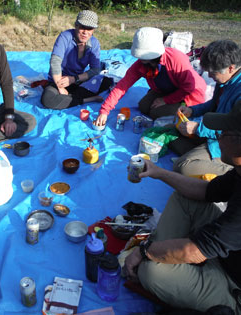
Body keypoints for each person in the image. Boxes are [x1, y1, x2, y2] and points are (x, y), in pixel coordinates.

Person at [124, 99, 241, 313]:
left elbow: (196, 250)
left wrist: (143, 251)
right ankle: (162, 256)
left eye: (225, 133)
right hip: (225, 254)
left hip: (233, 284)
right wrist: (159, 173)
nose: (219, 136)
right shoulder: (239, 173)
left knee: (150, 273)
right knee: (184, 198)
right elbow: (206, 191)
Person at [95, 27, 206, 126]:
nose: (140, 59)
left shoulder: (176, 59)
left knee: (156, 113)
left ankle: (181, 108)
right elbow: (122, 86)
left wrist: (166, 100)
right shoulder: (141, 64)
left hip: (187, 94)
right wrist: (104, 111)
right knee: (143, 106)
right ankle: (164, 102)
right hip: (164, 90)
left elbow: (189, 88)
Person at [171, 40, 241, 177]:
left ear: (231, 68)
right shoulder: (225, 81)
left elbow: (234, 130)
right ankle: (201, 155)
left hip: (230, 144)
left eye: (212, 73)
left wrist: (199, 129)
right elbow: (214, 104)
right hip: (216, 134)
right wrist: (193, 110)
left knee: (182, 167)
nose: (208, 76)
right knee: (171, 133)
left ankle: (233, 172)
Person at [40, 10, 113, 110]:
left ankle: (67, 98)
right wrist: (60, 86)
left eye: (89, 29)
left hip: (77, 80)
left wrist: (74, 79)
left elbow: (95, 69)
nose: (85, 32)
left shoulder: (94, 43)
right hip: (59, 81)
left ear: (93, 30)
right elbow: (55, 61)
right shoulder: (65, 37)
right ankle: (86, 99)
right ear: (76, 25)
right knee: (47, 100)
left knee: (107, 82)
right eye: (82, 27)